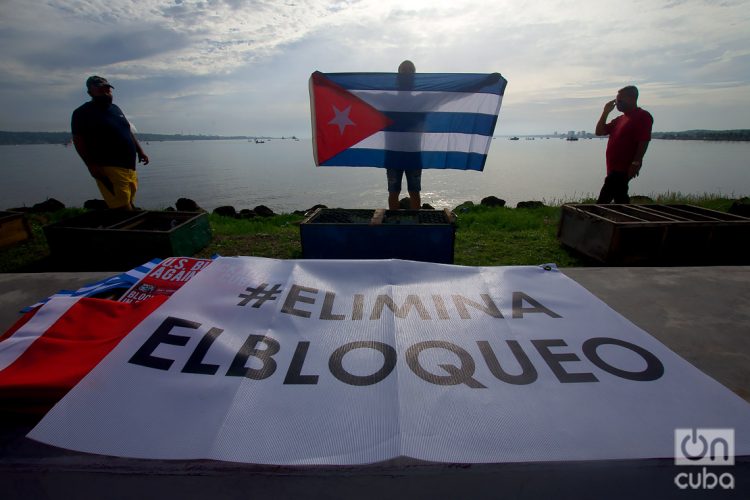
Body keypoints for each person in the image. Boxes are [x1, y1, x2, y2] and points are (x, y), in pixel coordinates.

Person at [72, 76, 149, 210]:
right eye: (101, 90)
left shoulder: (116, 109)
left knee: (129, 199)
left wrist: (140, 151)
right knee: (121, 206)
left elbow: (127, 130)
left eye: (108, 90)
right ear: (90, 92)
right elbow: (78, 140)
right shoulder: (83, 112)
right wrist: (91, 165)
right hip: (108, 166)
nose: (106, 93)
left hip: (129, 167)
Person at [594, 85, 653, 204]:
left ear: (631, 99)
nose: (617, 103)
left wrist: (636, 162)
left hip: (623, 168)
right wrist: (605, 112)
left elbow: (644, 140)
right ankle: (627, 220)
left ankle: (595, 220)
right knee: (620, 199)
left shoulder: (642, 116)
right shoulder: (620, 119)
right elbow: (599, 132)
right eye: (616, 100)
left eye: (620, 100)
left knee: (604, 200)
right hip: (612, 167)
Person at [386, 60, 422, 210]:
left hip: (412, 153)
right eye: (403, 70)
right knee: (394, 191)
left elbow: (451, 95)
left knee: (414, 190)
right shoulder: (388, 100)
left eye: (409, 71)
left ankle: (415, 226)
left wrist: (483, 84)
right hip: (393, 153)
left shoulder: (421, 101)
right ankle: (395, 224)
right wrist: (328, 84)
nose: (406, 73)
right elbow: (360, 94)